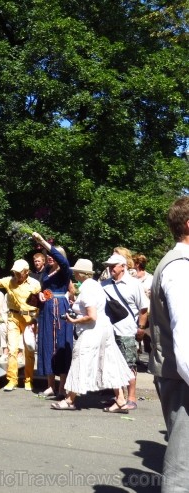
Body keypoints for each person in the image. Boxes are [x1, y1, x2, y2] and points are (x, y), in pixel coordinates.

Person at [51, 259, 133, 411]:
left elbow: (92, 316)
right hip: (105, 328)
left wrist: (74, 320)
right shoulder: (95, 285)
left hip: (93, 330)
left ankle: (70, 399)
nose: (73, 273)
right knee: (109, 361)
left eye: (75, 271)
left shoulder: (88, 289)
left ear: (80, 273)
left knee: (80, 359)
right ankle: (121, 400)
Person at [148, 196, 189, 492]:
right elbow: (186, 336)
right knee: (182, 470)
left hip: (180, 377)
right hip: (183, 379)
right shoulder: (180, 268)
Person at [0, 259, 41, 391]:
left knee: (29, 350)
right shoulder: (9, 281)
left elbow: (39, 304)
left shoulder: (35, 284)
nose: (16, 275)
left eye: (19, 272)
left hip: (29, 318)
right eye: (14, 272)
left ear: (26, 272)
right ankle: (12, 380)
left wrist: (35, 320)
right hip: (13, 317)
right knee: (12, 349)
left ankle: (28, 380)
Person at [101, 253, 148, 411]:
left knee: (129, 365)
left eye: (113, 265)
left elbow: (143, 309)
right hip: (109, 331)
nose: (110, 268)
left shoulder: (134, 284)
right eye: (109, 265)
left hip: (127, 331)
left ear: (123, 266)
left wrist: (141, 328)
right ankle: (119, 396)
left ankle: (132, 398)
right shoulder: (104, 284)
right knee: (112, 364)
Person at [31, 232, 74, 398]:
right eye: (47, 255)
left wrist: (42, 242)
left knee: (61, 343)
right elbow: (47, 290)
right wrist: (42, 294)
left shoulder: (64, 271)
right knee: (47, 343)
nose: (49, 257)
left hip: (60, 308)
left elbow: (62, 261)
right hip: (47, 309)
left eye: (51, 255)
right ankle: (50, 385)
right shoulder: (47, 271)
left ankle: (62, 387)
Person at [133, 253, 153, 354]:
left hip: (147, 313)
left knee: (148, 339)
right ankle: (135, 360)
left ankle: (150, 362)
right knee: (134, 340)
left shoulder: (150, 279)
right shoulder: (130, 279)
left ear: (137, 264)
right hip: (134, 312)